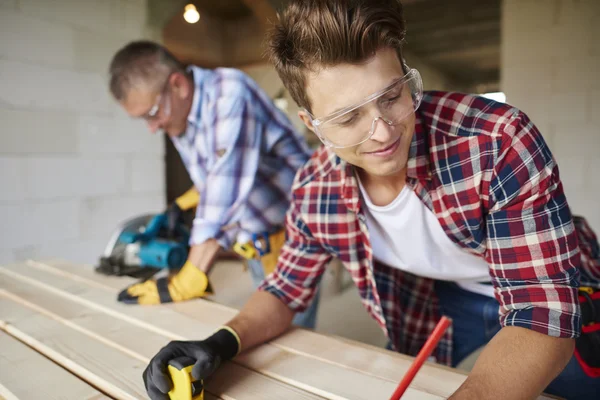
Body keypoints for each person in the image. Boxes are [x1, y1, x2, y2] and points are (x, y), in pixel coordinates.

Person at [140, 1, 600, 399]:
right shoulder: (314, 189)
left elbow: (542, 313)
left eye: (392, 95)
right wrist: (223, 341)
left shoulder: (495, 140)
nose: (383, 132)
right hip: (442, 296)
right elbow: (284, 290)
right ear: (311, 123)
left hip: (556, 285)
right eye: (347, 117)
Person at [106, 40, 321, 329]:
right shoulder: (178, 119)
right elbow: (212, 180)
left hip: (296, 232)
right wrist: (180, 207)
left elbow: (224, 187)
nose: (152, 127)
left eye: (151, 113)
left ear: (178, 85)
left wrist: (188, 277)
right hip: (255, 240)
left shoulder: (230, 92)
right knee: (269, 328)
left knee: (291, 335)